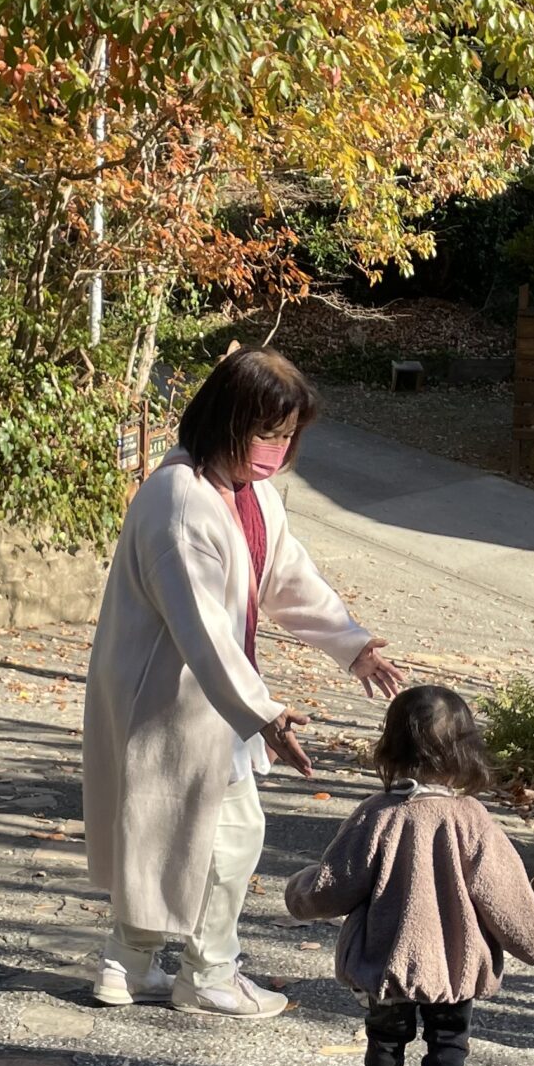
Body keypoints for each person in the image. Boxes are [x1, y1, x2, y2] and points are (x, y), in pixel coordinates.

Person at [82, 347, 402, 1018]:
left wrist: (353, 645)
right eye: (266, 433)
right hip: (167, 692)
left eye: (287, 437)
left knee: (161, 827)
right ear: (227, 422)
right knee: (223, 833)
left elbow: (288, 578)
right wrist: (263, 714)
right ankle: (207, 973)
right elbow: (202, 626)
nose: (277, 451)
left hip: (201, 696)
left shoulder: (248, 497)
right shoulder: (180, 499)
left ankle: (125, 963)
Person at [283, 685, 534, 1066]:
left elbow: (335, 885)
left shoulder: (377, 815)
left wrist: (300, 890)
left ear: (391, 747)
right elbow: (506, 895)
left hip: (387, 957)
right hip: (455, 962)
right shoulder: (473, 820)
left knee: (385, 1033)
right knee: (450, 1037)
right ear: (466, 751)